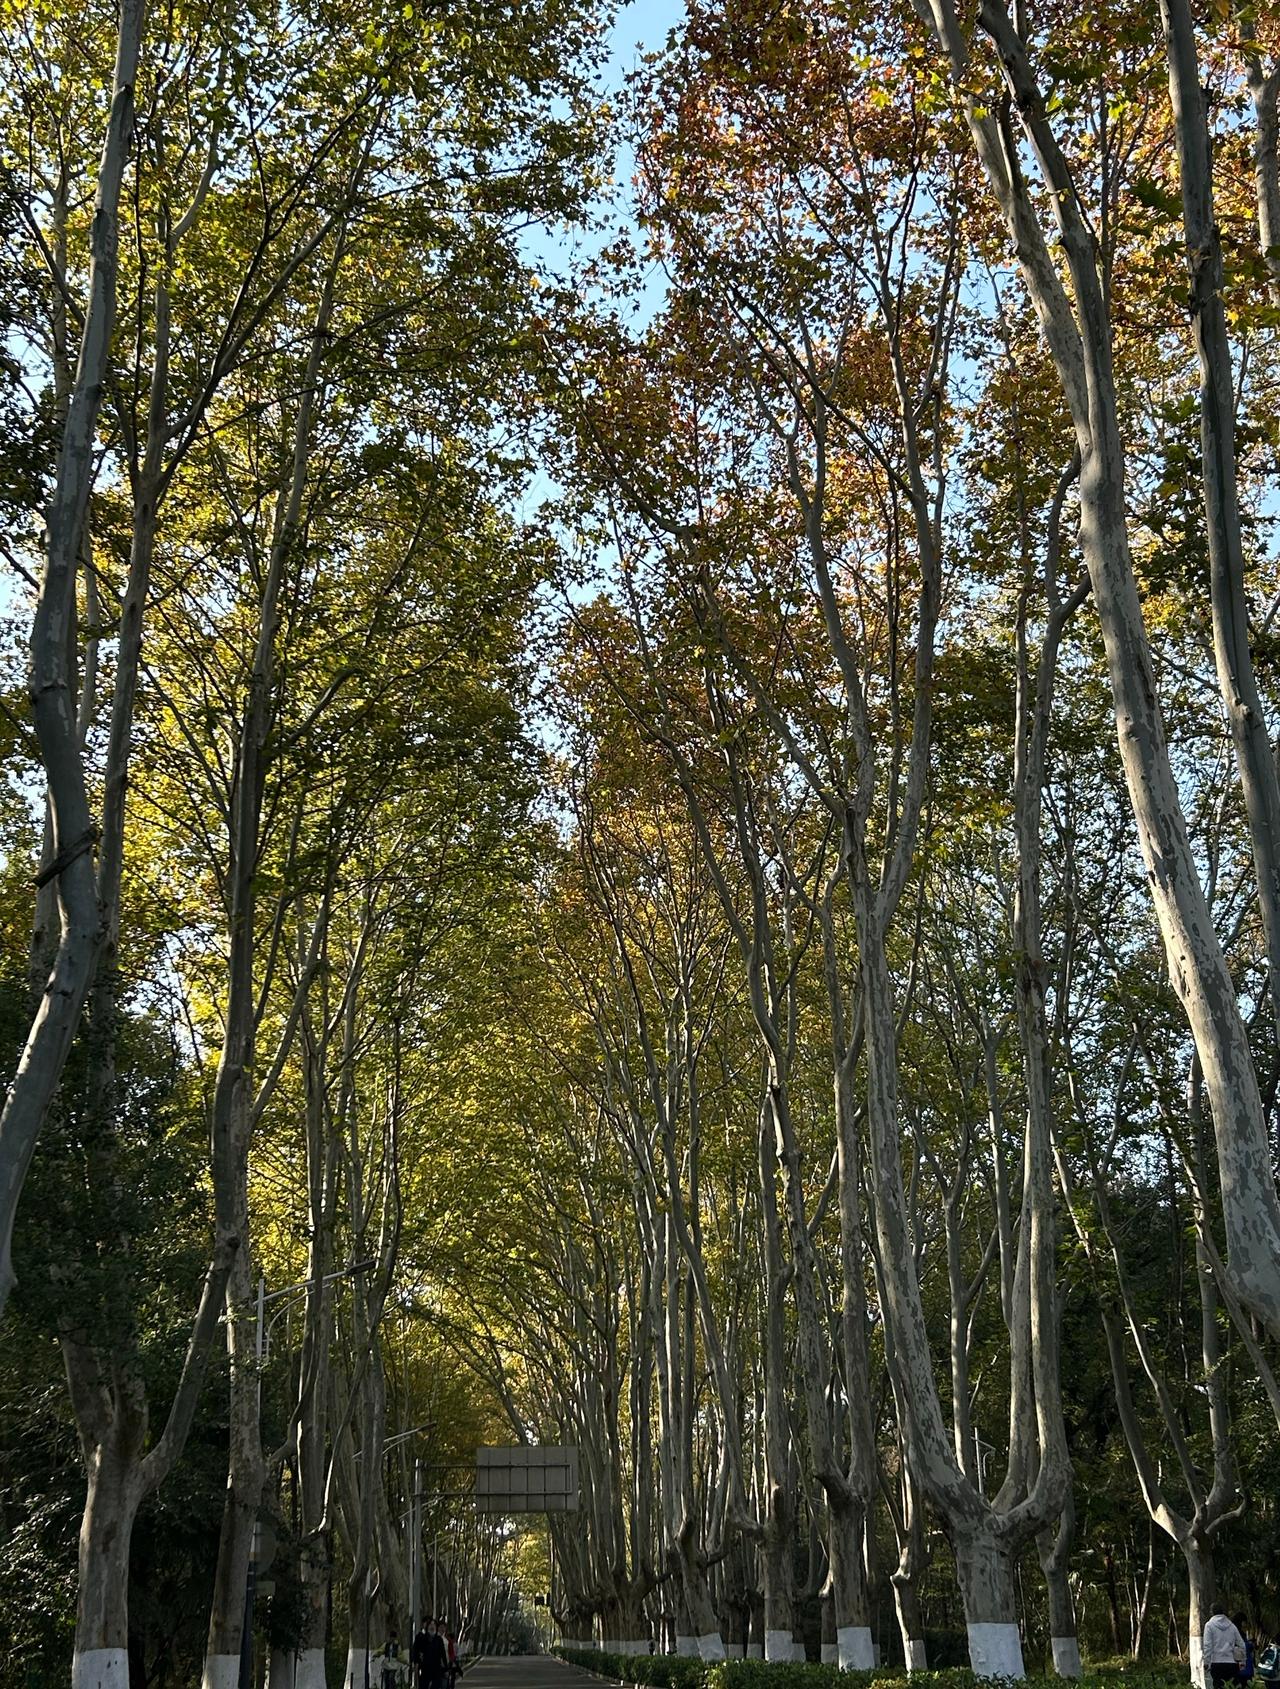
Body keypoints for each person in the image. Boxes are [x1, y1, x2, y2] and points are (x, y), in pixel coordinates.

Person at [1205, 1606, 1248, 1687]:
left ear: (1212, 1613)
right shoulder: (1232, 1626)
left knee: (1218, 1685)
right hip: (1232, 1663)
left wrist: (1206, 1662)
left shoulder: (1209, 1625)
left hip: (1216, 1662)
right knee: (1232, 1686)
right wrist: (1243, 1661)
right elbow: (1241, 1644)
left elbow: (1207, 1645)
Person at [1236, 1616, 1257, 1683]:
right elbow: (1243, 1647)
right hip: (1244, 1667)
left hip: (1242, 1667)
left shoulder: (1237, 1633)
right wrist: (1251, 1644)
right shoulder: (1238, 1634)